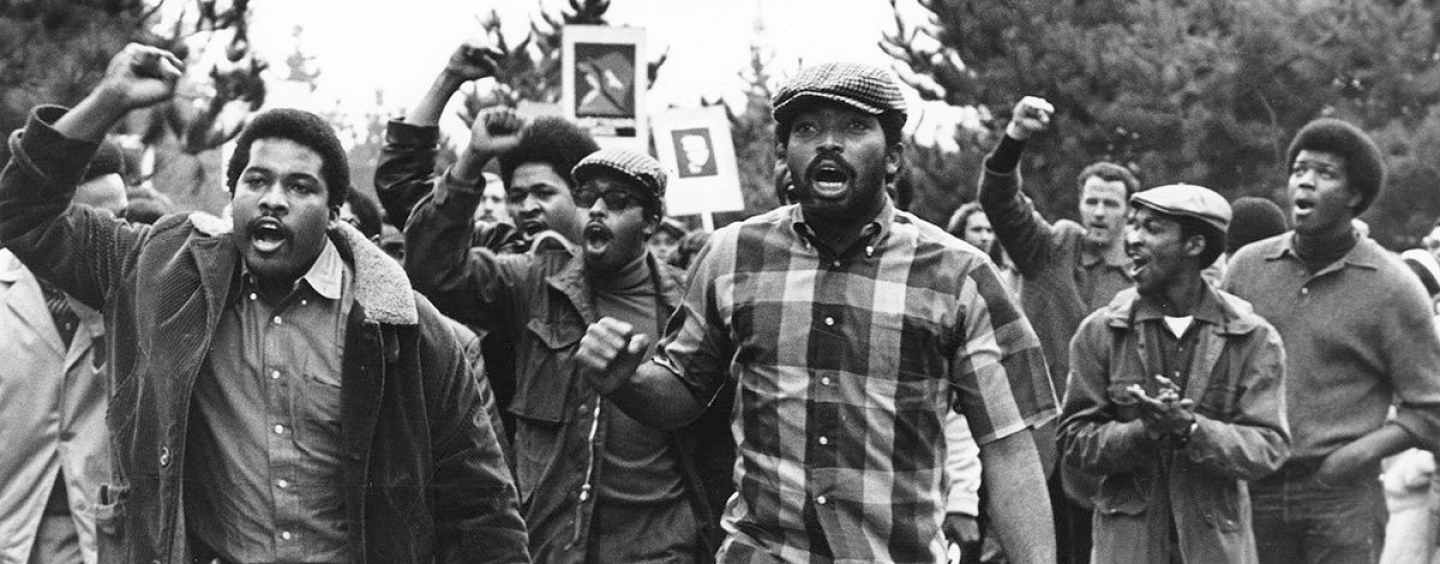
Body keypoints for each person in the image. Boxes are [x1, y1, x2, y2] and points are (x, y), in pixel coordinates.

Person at [0, 43, 528, 564]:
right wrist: (110, 99)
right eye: (256, 181)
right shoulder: (161, 273)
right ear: (232, 200)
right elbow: (22, 213)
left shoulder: (407, 332)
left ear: (335, 212)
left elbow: (482, 507)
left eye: (300, 186)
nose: (274, 198)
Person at [574, 62, 1057, 564]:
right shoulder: (731, 256)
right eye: (807, 129)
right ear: (784, 155)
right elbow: (683, 395)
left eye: (854, 127)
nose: (828, 143)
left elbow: (1008, 448)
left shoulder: (960, 276)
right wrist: (626, 382)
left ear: (893, 159)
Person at [406, 142, 732, 563]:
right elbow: (434, 272)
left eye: (616, 202)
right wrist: (471, 161)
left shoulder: (689, 300)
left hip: (661, 544)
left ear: (651, 222)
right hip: (554, 542)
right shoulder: (535, 281)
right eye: (586, 199)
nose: (596, 210)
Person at [1224, 117, 1440, 564]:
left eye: (1326, 174)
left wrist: (1353, 458)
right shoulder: (1247, 267)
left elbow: (1430, 409)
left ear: (1354, 197)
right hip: (1252, 488)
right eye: (1300, 169)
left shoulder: (1394, 286)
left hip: (1342, 501)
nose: (1305, 182)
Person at [1060, 183, 1290, 563]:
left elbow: (1268, 446)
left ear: (1194, 246)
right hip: (1127, 548)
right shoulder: (1101, 332)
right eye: (1132, 225)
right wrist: (1143, 431)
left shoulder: (1252, 337)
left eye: (1151, 228)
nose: (1132, 239)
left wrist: (1191, 430)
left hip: (1214, 548)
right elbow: (1072, 442)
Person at [979, 95, 1139, 564]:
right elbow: (999, 200)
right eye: (1092, 201)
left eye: (1111, 203)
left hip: (1103, 451)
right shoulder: (1051, 250)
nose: (1099, 212)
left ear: (1128, 213)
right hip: (1035, 440)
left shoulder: (1141, 279)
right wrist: (1016, 136)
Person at [0, 139, 128, 564]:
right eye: (96, 222)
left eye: (122, 219)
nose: (114, 235)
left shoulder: (140, 294)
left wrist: (103, 327)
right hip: (12, 529)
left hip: (99, 537)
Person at [375, 42, 596, 254]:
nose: (527, 208)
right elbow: (406, 196)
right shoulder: (496, 251)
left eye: (544, 193)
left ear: (583, 197)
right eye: (517, 196)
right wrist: (450, 79)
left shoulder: (617, 261)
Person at [948, 201, 1022, 298]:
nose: (984, 237)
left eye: (989, 231)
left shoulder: (1000, 276)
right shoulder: (948, 271)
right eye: (977, 230)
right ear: (960, 234)